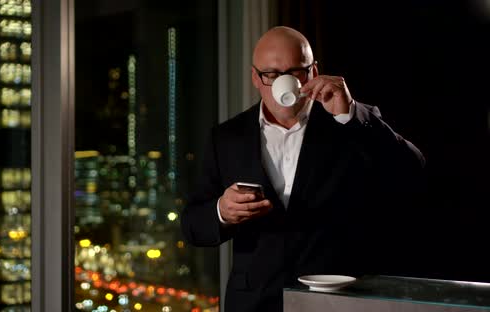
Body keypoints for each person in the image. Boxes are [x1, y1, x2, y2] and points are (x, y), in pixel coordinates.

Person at [180, 26, 426, 312]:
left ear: (313, 72)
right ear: (255, 78)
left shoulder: (350, 121)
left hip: (335, 301)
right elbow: (192, 225)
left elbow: (412, 169)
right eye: (271, 74)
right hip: (253, 302)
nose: (283, 82)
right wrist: (223, 210)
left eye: (295, 72)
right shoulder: (227, 137)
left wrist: (349, 114)